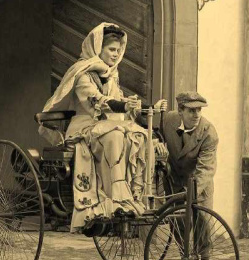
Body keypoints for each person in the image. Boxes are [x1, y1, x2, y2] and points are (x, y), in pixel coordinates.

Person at [38, 22, 167, 234]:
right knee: (116, 135)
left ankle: (136, 195)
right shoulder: (82, 74)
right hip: (84, 127)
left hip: (106, 125)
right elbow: (97, 102)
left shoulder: (112, 75)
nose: (116, 55)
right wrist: (123, 105)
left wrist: (145, 107)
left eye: (119, 50)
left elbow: (120, 101)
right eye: (111, 50)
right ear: (99, 49)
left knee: (136, 135)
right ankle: (114, 199)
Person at [156, 91, 223, 260]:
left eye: (199, 110)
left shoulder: (209, 133)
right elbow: (146, 123)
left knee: (202, 221)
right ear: (180, 111)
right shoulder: (168, 120)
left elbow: (206, 169)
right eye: (191, 110)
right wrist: (156, 141)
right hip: (175, 181)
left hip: (199, 183)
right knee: (179, 224)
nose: (196, 115)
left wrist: (190, 193)